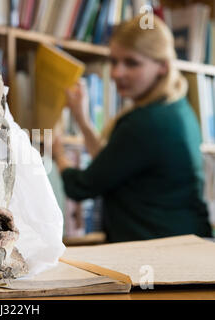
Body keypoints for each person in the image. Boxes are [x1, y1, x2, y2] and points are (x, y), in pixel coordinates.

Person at [52, 14, 213, 243]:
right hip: (189, 245)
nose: (117, 73)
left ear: (162, 66)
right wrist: (82, 120)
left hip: (165, 257)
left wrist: (58, 154)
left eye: (132, 63)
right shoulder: (177, 108)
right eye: (114, 62)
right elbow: (111, 166)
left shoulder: (146, 122)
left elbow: (81, 186)